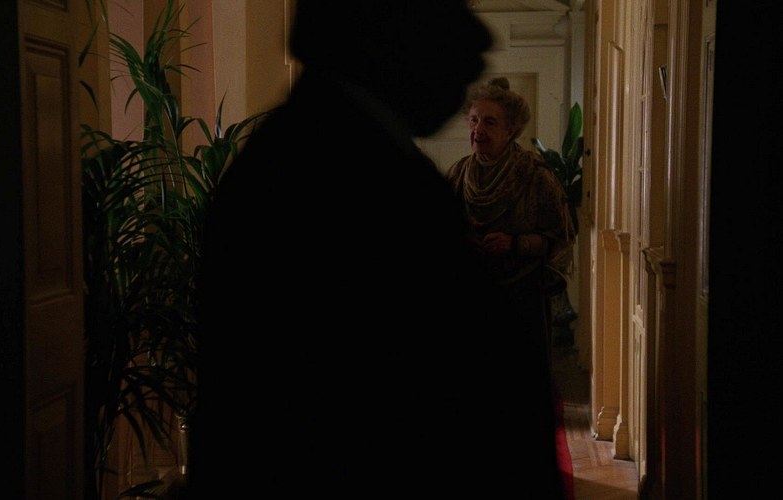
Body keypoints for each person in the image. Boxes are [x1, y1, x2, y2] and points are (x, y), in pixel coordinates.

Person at [188, 2, 568, 498]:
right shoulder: (349, 173)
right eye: (446, 13)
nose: (478, 44)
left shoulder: (348, 152)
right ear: (383, 32)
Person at [445, 77, 576, 360]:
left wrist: (515, 244)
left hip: (523, 299)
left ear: (510, 131)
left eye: (490, 122)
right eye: (474, 120)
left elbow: (561, 239)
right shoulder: (457, 174)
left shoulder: (536, 176)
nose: (478, 130)